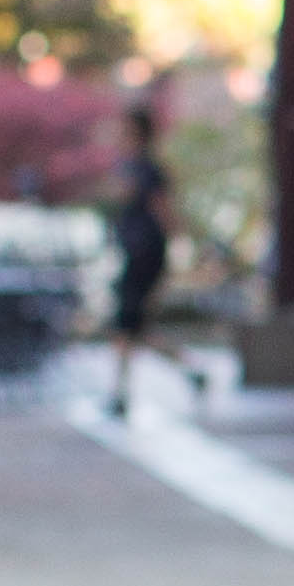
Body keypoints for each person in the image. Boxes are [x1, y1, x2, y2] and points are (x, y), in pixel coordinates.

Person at [101, 97, 177, 417]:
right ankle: (190, 372)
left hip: (145, 254)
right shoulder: (130, 167)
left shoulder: (146, 169)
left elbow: (164, 213)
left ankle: (119, 392)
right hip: (133, 252)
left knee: (126, 325)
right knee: (136, 329)